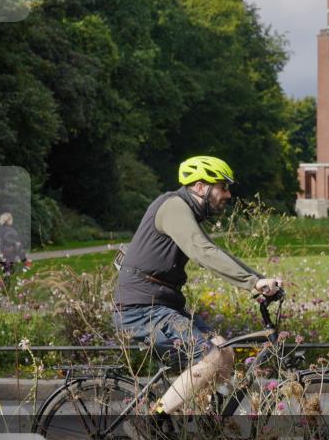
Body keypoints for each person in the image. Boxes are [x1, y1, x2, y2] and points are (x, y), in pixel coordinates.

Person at [113, 155, 283, 415]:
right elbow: (203, 252)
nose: (227, 194)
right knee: (212, 357)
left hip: (161, 304)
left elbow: (211, 250)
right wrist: (253, 282)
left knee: (224, 354)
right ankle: (151, 419)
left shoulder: (185, 210)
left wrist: (258, 280)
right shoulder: (173, 206)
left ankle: (207, 425)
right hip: (141, 307)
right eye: (222, 187)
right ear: (201, 186)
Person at [0, 212, 29, 276]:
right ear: (10, 220)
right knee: (9, 275)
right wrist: (24, 259)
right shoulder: (12, 231)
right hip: (9, 257)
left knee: (0, 277)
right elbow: (18, 246)